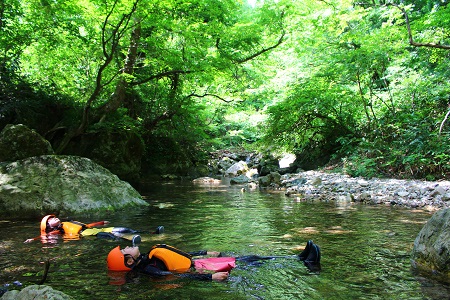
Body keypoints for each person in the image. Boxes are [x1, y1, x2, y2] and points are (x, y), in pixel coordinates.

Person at [106, 238, 321, 283]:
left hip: (200, 263)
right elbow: (175, 275)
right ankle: (305, 262)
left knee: (250, 258)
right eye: (124, 249)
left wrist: (204, 251)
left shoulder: (147, 258)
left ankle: (298, 258)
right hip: (201, 270)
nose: (127, 246)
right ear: (129, 262)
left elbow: (179, 255)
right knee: (251, 262)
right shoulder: (149, 269)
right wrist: (211, 277)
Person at [24, 214, 164, 243]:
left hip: (95, 230)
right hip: (88, 235)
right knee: (112, 237)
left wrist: (101, 222)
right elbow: (44, 237)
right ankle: (131, 242)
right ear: (48, 226)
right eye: (52, 220)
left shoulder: (70, 222)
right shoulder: (59, 231)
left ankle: (152, 232)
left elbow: (87, 225)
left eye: (55, 217)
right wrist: (33, 239)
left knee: (125, 229)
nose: (55, 219)